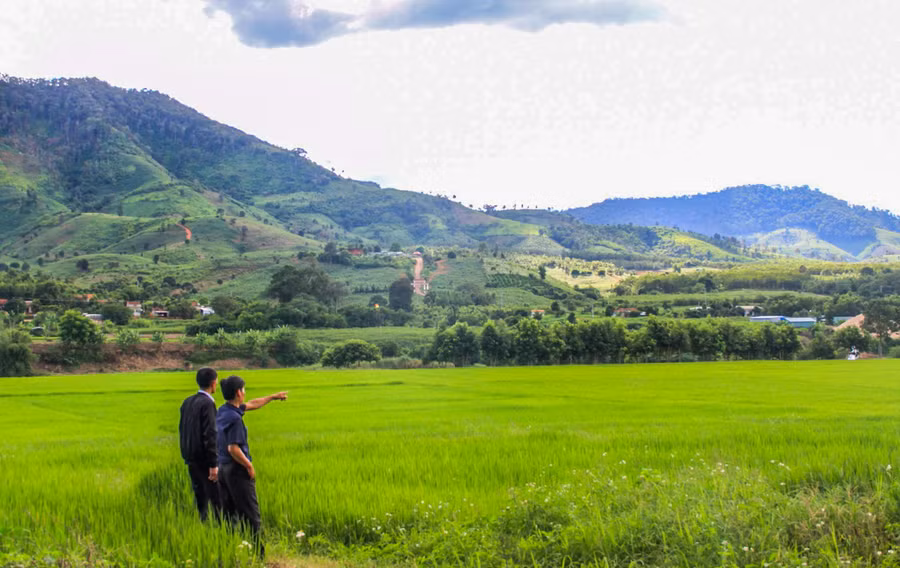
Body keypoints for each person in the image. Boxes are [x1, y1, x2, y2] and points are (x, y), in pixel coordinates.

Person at [217, 375, 288, 557]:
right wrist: (248, 466)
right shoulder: (235, 419)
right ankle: (259, 556)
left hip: (222, 469)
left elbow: (253, 404)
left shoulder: (223, 411)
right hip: (236, 470)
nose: (245, 393)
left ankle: (231, 551)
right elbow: (233, 448)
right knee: (251, 513)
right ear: (239, 392)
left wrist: (273, 397)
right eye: (244, 389)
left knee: (230, 513)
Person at [178, 367, 222, 521]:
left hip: (190, 457)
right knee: (216, 497)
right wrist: (213, 464)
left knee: (200, 496)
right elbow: (210, 434)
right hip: (204, 459)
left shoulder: (187, 402)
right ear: (213, 382)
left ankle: (203, 524)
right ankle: (220, 527)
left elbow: (183, 429)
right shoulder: (208, 404)